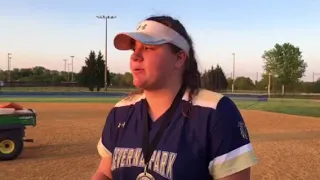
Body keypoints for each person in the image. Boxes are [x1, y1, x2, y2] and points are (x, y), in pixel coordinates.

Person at [92, 15, 258, 180]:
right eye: (134, 48)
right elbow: (105, 173)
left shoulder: (216, 111)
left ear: (179, 58)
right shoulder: (120, 111)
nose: (135, 56)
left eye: (148, 48)